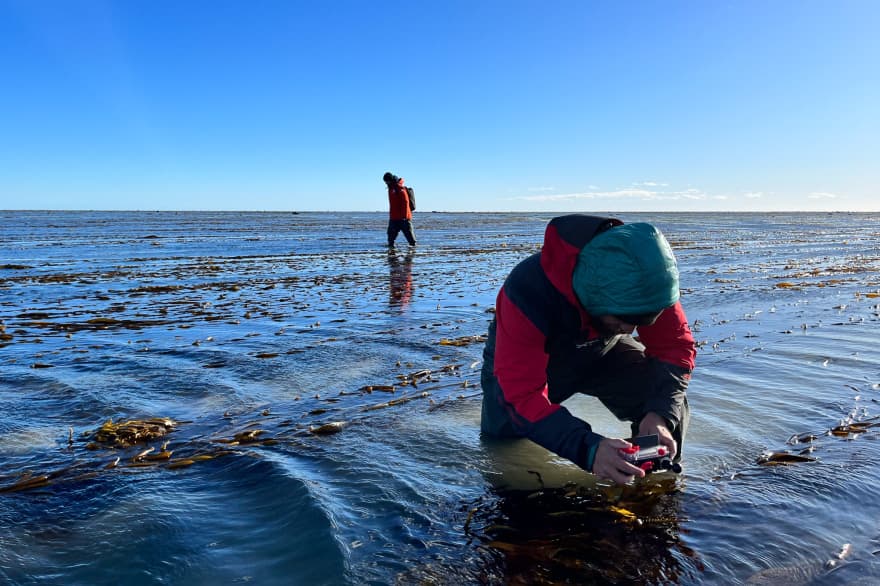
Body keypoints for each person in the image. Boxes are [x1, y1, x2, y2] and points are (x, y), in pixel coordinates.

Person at [480, 214, 696, 486]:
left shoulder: (649, 282)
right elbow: (520, 396)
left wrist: (660, 414)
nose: (631, 331)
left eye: (641, 321)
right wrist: (589, 448)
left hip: (604, 352)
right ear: (592, 297)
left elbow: (674, 349)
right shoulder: (527, 291)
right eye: (622, 320)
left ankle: (649, 478)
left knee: (664, 403)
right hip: (531, 360)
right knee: (504, 446)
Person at [383, 172, 416, 247]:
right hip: (394, 217)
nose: (386, 183)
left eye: (386, 181)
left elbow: (406, 202)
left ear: (390, 180)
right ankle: (391, 251)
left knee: (410, 237)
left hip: (404, 218)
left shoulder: (400, 188)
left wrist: (404, 216)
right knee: (390, 237)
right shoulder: (391, 188)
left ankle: (413, 251)